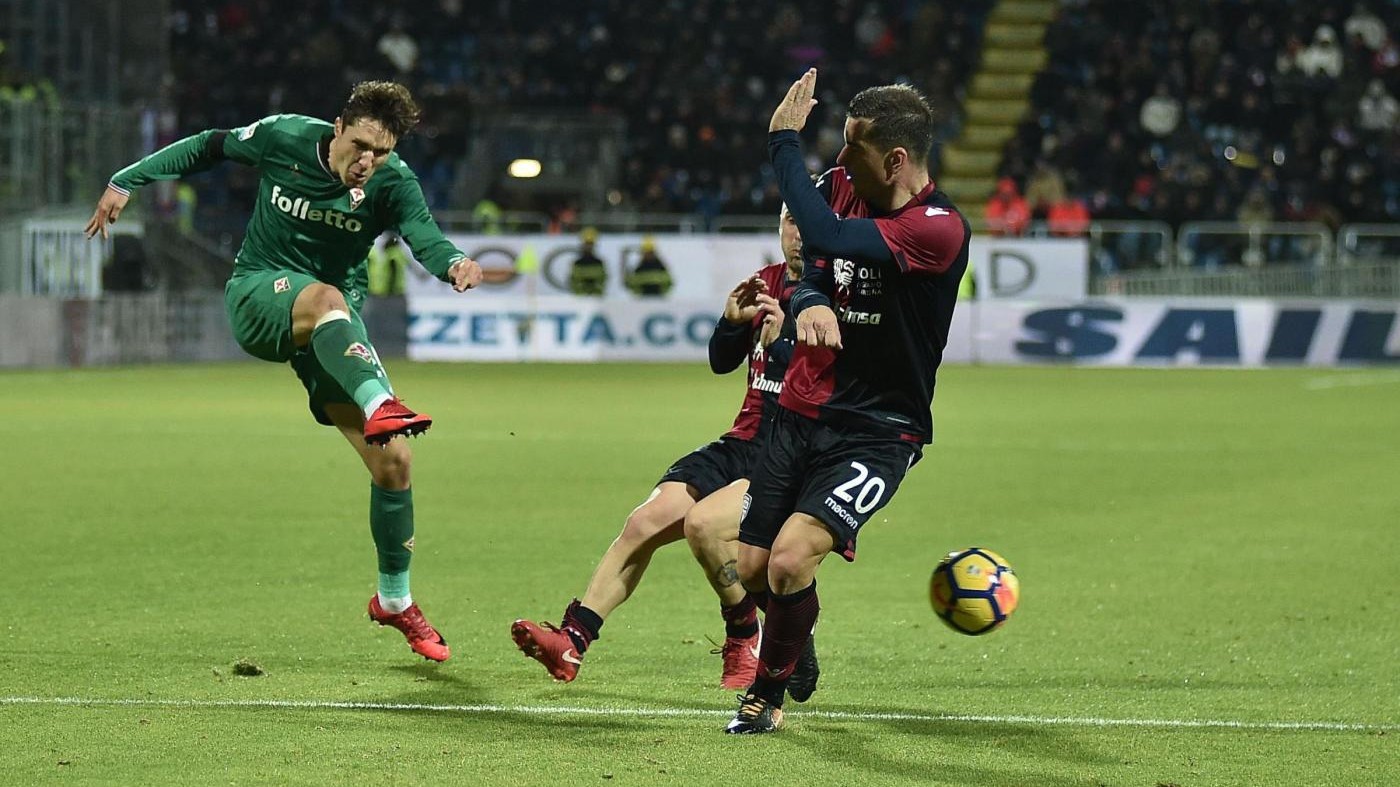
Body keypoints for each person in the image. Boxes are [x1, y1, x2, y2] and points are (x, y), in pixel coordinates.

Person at [84, 80, 484, 663]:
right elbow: (209, 145)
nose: (368, 161)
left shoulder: (393, 182)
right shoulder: (285, 137)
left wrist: (454, 263)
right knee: (326, 301)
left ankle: (394, 599)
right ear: (338, 127)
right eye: (362, 145)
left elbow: (424, 236)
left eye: (383, 151)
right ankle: (379, 404)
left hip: (332, 327)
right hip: (260, 293)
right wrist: (128, 178)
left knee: (395, 460)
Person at [724, 71, 970, 734]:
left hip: (880, 430)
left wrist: (782, 141)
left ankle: (766, 693)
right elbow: (809, 269)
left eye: (851, 148)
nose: (836, 161)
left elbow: (829, 239)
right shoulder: (839, 189)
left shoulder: (938, 227)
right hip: (800, 409)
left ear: (894, 159)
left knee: (789, 558)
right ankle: (794, 642)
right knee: (749, 567)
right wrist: (805, 303)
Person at [511, 206, 818, 694]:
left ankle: (745, 632)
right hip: (742, 440)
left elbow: (837, 384)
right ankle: (572, 639)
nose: (797, 233)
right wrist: (730, 322)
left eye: (807, 221)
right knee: (643, 523)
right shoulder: (766, 282)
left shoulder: (834, 297)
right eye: (789, 222)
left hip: (793, 451)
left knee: (704, 527)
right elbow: (723, 362)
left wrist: (790, 343)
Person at [568, 227, 608, 296]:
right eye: (587, 244)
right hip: (581, 299)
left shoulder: (599, 263)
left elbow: (602, 281)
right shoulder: (577, 263)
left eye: (590, 244)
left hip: (595, 298)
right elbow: (574, 281)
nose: (588, 246)